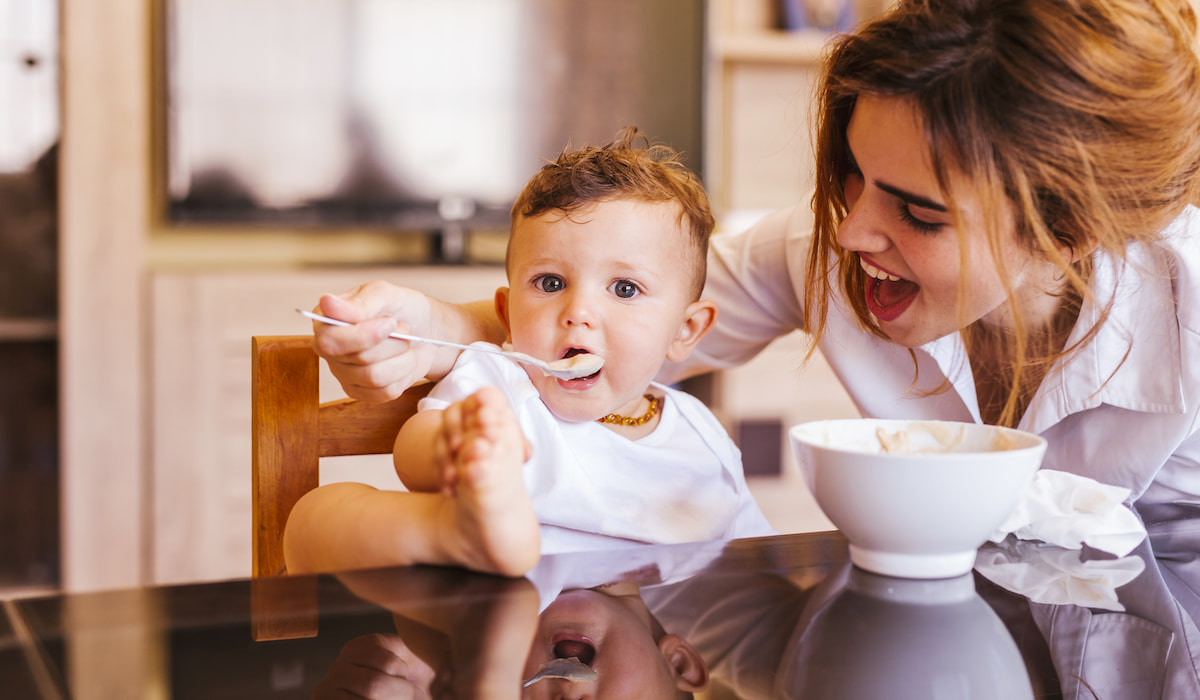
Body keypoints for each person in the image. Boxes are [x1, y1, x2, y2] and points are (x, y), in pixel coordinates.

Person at [309, 0, 1200, 521]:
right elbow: (608, 328)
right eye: (853, 173)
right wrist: (422, 328)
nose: (850, 233)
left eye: (919, 212)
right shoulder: (817, 250)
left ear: (1071, 226)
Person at [285, 128, 776, 576]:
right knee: (315, 514)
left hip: (637, 645)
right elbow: (413, 454)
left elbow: (754, 568)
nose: (578, 311)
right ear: (507, 312)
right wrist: (459, 450)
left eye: (624, 289)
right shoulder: (503, 384)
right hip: (488, 625)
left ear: (685, 330)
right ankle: (449, 535)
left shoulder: (702, 438)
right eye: (550, 282)